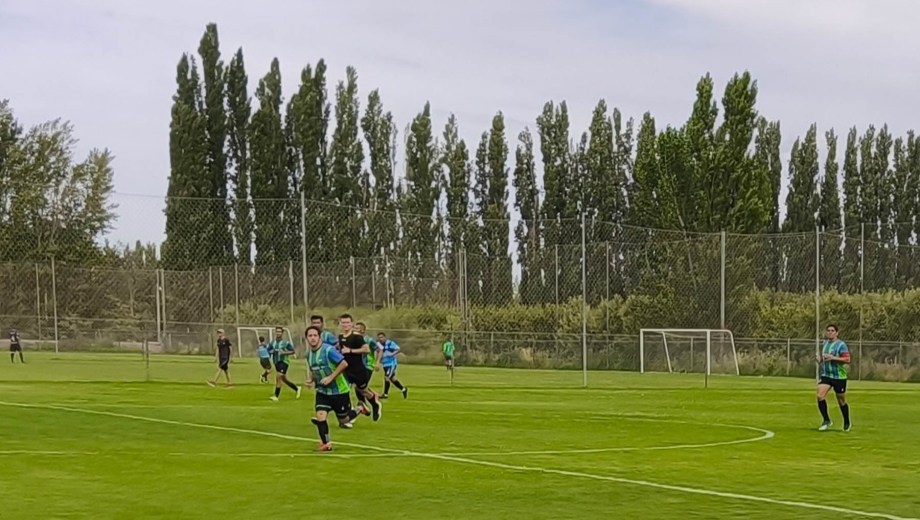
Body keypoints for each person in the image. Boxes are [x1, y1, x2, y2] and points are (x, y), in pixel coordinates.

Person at [304, 326, 357, 452]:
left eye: (315, 335)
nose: (312, 338)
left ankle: (360, 409)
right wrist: (310, 380)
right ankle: (326, 444)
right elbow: (313, 368)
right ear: (306, 338)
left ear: (319, 337)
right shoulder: (308, 354)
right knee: (320, 416)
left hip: (339, 391)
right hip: (323, 391)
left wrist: (331, 377)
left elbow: (344, 364)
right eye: (310, 336)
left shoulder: (328, 350)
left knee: (344, 419)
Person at [337, 314, 382, 422]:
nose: (345, 325)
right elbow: (342, 350)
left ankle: (375, 405)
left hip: (358, 370)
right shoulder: (341, 337)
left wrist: (351, 351)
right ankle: (348, 415)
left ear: (351, 323)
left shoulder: (357, 336)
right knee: (343, 392)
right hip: (346, 369)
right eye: (343, 323)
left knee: (364, 391)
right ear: (340, 324)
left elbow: (366, 349)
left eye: (347, 322)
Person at [816, 324, 852, 432]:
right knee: (820, 396)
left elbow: (847, 359)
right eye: (828, 330)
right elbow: (823, 358)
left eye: (832, 330)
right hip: (826, 375)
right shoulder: (825, 344)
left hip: (839, 377)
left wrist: (833, 358)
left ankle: (846, 421)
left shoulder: (841, 345)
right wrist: (820, 359)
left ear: (837, 333)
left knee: (841, 401)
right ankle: (826, 420)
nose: (830, 332)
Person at [353, 322, 382, 414]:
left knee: (359, 387)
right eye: (354, 328)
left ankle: (364, 405)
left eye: (357, 328)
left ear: (362, 330)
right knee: (359, 387)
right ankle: (370, 400)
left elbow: (380, 350)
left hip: (368, 366)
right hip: (358, 366)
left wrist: (377, 362)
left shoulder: (369, 340)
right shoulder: (354, 340)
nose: (354, 329)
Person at [269, 327, 301, 401]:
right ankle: (296, 388)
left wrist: (284, 353)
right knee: (283, 379)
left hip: (284, 362)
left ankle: (276, 396)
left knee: (278, 377)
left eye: (280, 332)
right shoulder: (272, 342)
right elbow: (269, 350)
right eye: (277, 332)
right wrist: (271, 352)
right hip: (276, 362)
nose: (278, 333)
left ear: (282, 333)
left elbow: (293, 351)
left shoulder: (286, 343)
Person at [377, 332, 408, 399]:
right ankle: (403, 389)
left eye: (382, 337)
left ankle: (385, 394)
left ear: (385, 337)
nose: (380, 339)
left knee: (387, 378)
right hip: (385, 364)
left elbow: (398, 349)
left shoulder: (390, 343)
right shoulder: (379, 345)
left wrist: (392, 354)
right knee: (392, 379)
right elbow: (379, 352)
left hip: (391, 364)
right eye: (379, 338)